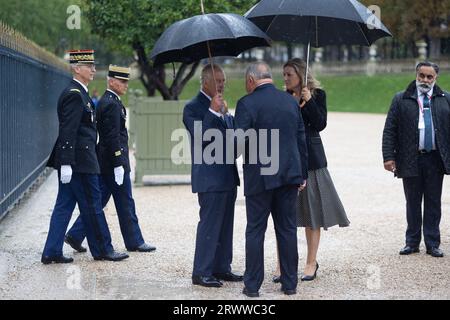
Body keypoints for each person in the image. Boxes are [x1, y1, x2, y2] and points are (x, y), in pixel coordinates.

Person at [43, 50, 129, 263]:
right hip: (81, 163)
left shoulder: (80, 93)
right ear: (76, 68)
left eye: (93, 65)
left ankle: (52, 251)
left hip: (78, 162)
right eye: (88, 66)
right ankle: (103, 250)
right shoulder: (74, 94)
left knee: (64, 206)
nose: (93, 69)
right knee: (93, 206)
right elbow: (68, 131)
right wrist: (66, 163)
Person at [234, 62, 308, 297]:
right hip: (289, 174)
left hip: (260, 178)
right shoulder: (290, 101)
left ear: (251, 81)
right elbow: (300, 140)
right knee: (286, 229)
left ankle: (253, 286)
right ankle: (290, 284)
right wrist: (302, 174)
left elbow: (237, 145)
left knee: (255, 230)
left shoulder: (246, 104)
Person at [65, 65, 156, 254]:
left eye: (126, 82)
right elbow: (112, 137)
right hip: (113, 163)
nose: (125, 85)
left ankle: (75, 234)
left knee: (98, 203)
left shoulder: (109, 101)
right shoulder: (111, 103)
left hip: (106, 163)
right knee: (125, 203)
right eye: (122, 81)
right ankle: (135, 241)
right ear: (112, 81)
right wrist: (119, 164)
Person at [272, 58, 349, 282]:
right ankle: (282, 263)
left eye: (289, 74)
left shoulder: (317, 95)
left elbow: (320, 124)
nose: (285, 78)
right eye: (283, 74)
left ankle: (310, 262)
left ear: (301, 75)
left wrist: (309, 101)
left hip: (312, 160)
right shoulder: (281, 98)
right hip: (287, 161)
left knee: (311, 214)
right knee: (284, 215)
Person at [382, 61, 450, 258]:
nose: (425, 80)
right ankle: (411, 242)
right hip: (410, 158)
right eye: (422, 76)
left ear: (436, 78)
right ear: (416, 75)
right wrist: (388, 156)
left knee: (433, 202)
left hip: (436, 159)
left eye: (429, 77)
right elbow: (389, 130)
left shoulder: (445, 99)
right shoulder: (401, 99)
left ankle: (432, 243)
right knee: (412, 202)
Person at [183, 64, 242, 288]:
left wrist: (225, 116)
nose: (222, 85)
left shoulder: (222, 107)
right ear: (205, 81)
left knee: (226, 226)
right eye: (218, 80)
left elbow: (233, 138)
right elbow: (201, 137)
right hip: (209, 178)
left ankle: (221, 267)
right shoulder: (193, 108)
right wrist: (212, 112)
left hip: (227, 176)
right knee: (210, 225)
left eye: (224, 81)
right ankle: (201, 272)